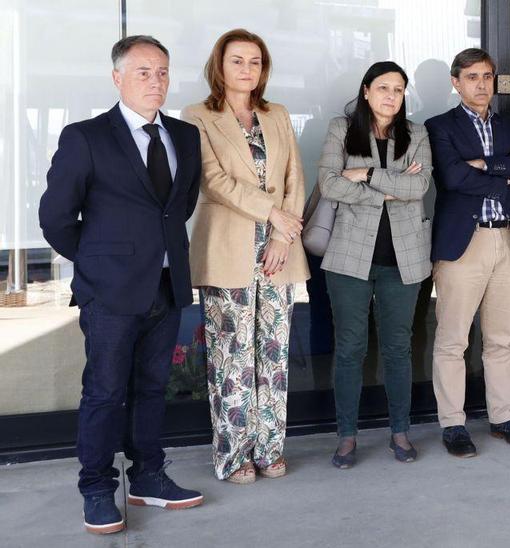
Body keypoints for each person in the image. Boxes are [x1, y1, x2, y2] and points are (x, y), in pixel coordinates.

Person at [39, 35, 204, 535]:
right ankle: (96, 489)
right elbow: (55, 217)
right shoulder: (86, 136)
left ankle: (148, 476)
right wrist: (98, 265)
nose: (155, 81)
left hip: (168, 284)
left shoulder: (185, 135)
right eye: (142, 72)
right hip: (110, 291)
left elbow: (180, 205)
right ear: (117, 78)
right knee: (105, 392)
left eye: (162, 72)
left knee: (153, 388)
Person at [182, 28, 309, 484]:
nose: (246, 69)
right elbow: (213, 181)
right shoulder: (197, 116)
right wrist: (273, 214)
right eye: (237, 60)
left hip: (279, 250)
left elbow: (296, 174)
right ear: (220, 66)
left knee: (273, 356)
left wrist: (282, 234)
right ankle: (235, 455)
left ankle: (271, 448)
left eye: (255, 61)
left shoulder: (277, 114)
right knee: (232, 356)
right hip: (227, 248)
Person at [426, 48, 510, 456]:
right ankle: (453, 424)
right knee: (453, 340)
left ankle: (502, 416)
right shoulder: (438, 126)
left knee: (501, 338)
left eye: (487, 76)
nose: (481, 84)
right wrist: (502, 170)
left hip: (507, 239)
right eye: (472, 77)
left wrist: (483, 165)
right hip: (464, 241)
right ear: (456, 82)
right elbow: (453, 177)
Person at [317, 61, 432, 468]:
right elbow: (329, 183)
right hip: (349, 257)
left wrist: (364, 174)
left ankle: (399, 431)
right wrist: (387, 189)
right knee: (350, 348)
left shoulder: (416, 133)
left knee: (398, 348)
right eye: (383, 88)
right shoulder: (341, 128)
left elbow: (418, 187)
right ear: (366, 91)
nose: (391, 96)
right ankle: (346, 436)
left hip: (403, 258)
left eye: (399, 90)